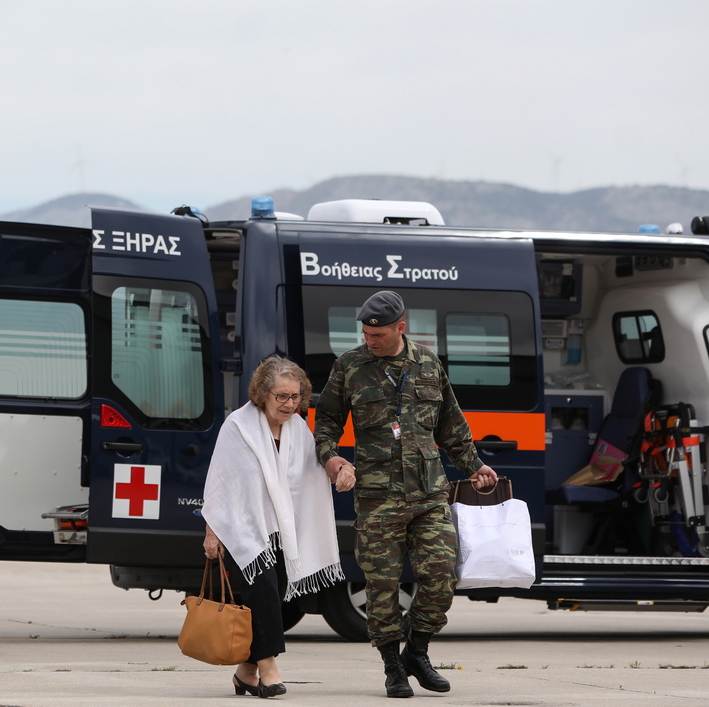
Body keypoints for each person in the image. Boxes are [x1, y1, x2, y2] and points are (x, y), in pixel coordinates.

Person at [314, 290, 498, 698]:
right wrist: (330, 457)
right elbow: (326, 420)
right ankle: (392, 666)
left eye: (378, 334)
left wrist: (474, 465)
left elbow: (451, 424)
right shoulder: (349, 366)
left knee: (441, 576)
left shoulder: (428, 363)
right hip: (378, 498)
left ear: (402, 327)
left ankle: (417, 650)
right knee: (381, 587)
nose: (370, 340)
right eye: (365, 333)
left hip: (429, 493)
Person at [202, 355, 343, 699]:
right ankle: (268, 669)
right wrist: (212, 531)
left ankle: (245, 673)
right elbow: (221, 480)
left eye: (295, 396)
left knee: (271, 596)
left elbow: (311, 474)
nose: (289, 404)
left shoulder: (299, 430)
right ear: (263, 393)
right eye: (281, 396)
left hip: (283, 531)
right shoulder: (238, 426)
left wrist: (338, 469)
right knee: (262, 591)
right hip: (243, 529)